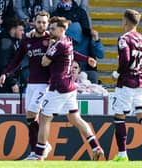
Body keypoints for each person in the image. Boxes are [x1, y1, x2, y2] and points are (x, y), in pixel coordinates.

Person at [0, 11, 95, 160]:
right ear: (34, 23)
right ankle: (35, 150)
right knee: (30, 118)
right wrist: (6, 73)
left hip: (46, 84)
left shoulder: (52, 38)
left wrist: (86, 59)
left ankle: (40, 151)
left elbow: (70, 52)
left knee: (35, 114)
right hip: (32, 83)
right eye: (39, 22)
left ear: (48, 24)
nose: (42, 25)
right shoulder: (27, 40)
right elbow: (16, 59)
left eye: (44, 22)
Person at [34, 16, 104, 161]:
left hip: (58, 87)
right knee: (75, 118)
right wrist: (87, 59)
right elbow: (73, 54)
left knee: (44, 118)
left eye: (52, 28)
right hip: (70, 87)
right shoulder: (68, 41)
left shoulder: (58, 45)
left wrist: (49, 47)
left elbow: (44, 62)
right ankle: (96, 147)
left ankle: (39, 155)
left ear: (62, 29)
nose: (49, 30)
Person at [111, 9, 142, 161]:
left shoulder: (124, 39)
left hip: (126, 82)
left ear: (126, 21)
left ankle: (122, 155)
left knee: (119, 117)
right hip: (140, 82)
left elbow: (125, 60)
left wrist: (116, 73)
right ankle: (122, 155)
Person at [0, 18, 25, 93]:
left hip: (9, 81)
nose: (23, 32)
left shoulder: (13, 42)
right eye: (20, 30)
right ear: (13, 30)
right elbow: (4, 65)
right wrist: (12, 83)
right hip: (5, 84)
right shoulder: (6, 43)